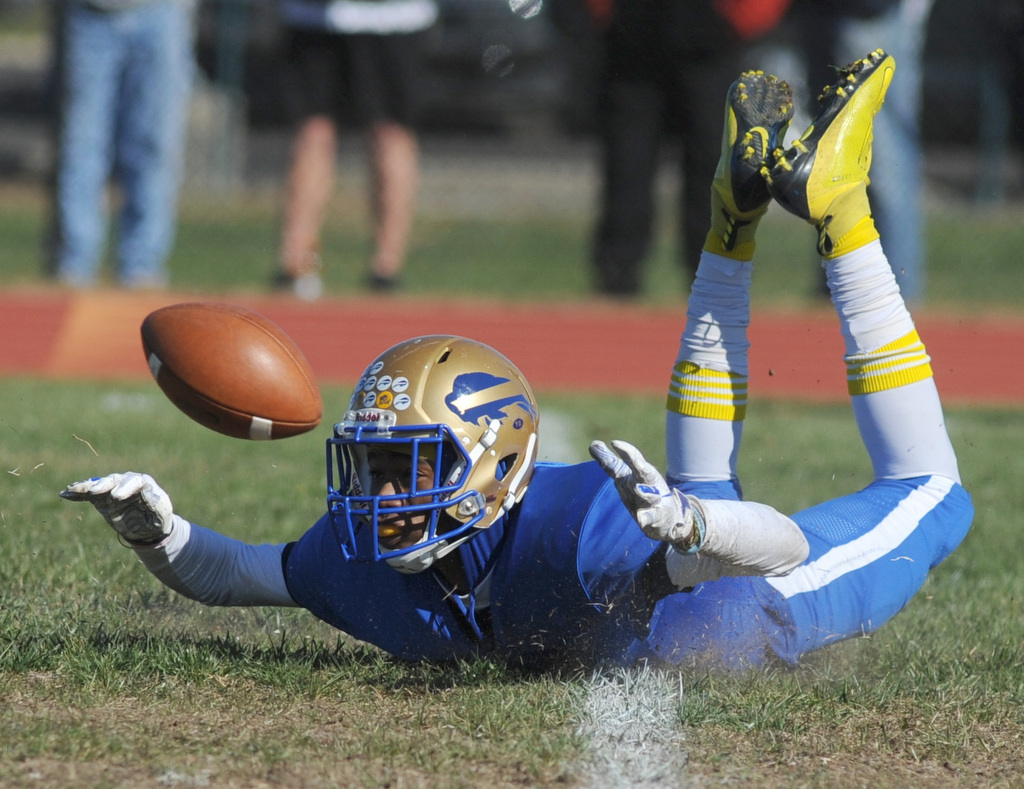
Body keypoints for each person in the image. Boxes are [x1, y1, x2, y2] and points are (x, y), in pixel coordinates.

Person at [61, 50, 973, 670]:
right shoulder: (367, 564)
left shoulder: (571, 526)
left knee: (935, 491)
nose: (380, 497)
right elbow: (237, 576)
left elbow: (786, 546)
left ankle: (839, 210)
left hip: (753, 603)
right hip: (684, 574)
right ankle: (730, 225)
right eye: (376, 466)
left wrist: (698, 532)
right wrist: (157, 532)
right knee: (698, 486)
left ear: (494, 463)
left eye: (409, 467)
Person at [587, 0, 791, 297]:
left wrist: (743, 20)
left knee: (712, 163)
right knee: (627, 162)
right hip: (633, 37)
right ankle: (616, 272)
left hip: (709, 40)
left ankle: (713, 273)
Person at [271, 0, 438, 300]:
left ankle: (385, 271)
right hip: (314, 20)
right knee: (313, 133)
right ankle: (297, 265)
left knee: (389, 134)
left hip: (393, 19)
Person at [793, 0, 932, 302]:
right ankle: (836, 288)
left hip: (869, 15)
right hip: (817, 13)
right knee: (827, 163)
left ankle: (898, 293)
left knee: (884, 161)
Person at [52, 0, 196, 290]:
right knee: (82, 142)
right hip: (90, 13)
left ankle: (142, 264)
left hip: (160, 11)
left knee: (153, 144)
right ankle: (75, 263)